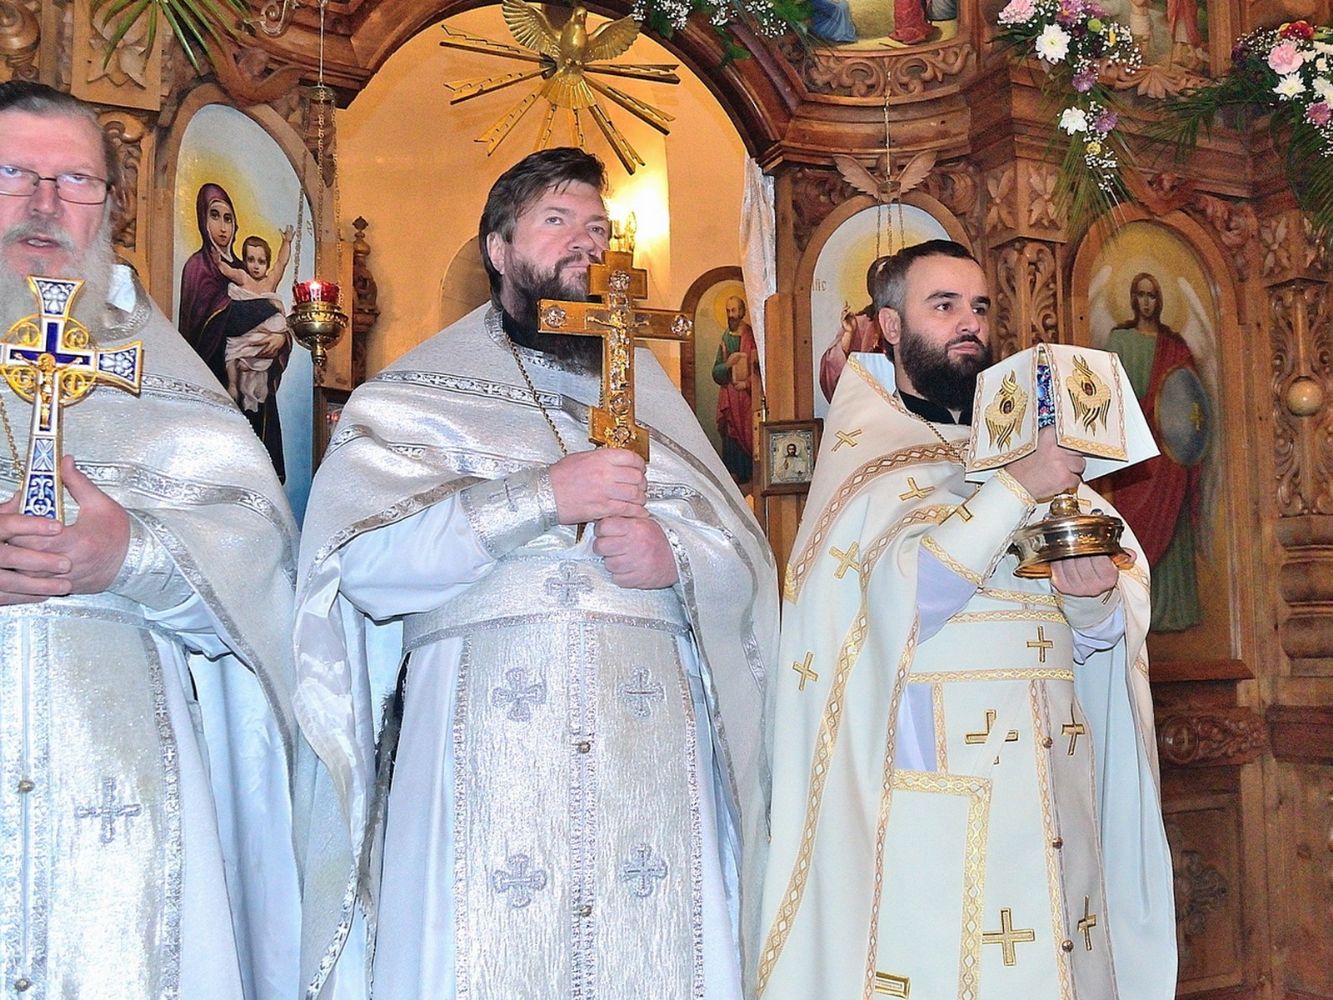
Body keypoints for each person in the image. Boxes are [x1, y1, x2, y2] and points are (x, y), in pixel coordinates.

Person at [293, 147, 778, 1000]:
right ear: (498, 248)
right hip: (481, 738)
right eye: (556, 221)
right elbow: (361, 565)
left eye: (596, 225)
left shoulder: (656, 403)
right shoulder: (414, 395)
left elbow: (743, 558)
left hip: (648, 744)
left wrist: (674, 559)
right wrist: (539, 498)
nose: (584, 241)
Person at [755, 240, 1175, 999]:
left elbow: (1105, 631)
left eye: (979, 306)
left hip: (1056, 784)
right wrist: (1016, 489)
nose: (968, 322)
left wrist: (1093, 602)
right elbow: (900, 601)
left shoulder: (1029, 451)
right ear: (890, 326)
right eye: (942, 305)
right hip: (938, 795)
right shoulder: (870, 459)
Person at [0, 82, 299, 998]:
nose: (44, 203)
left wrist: (130, 555)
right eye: (13, 172)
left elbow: (261, 561)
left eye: (75, 180)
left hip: (120, 781)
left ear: (110, 205)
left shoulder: (154, 365)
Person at [1105, 271, 1204, 631]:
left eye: (1152, 296)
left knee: (1173, 527)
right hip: (1137, 456)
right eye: (1140, 295)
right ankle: (1132, 607)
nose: (1146, 302)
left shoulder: (1175, 347)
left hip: (1171, 459)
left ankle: (1174, 611)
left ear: (1159, 301)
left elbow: (1190, 402)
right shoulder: (1120, 341)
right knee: (1135, 525)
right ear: (1133, 299)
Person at [177, 182, 291, 480]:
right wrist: (269, 307)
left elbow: (277, 318)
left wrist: (280, 337)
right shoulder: (198, 268)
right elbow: (214, 323)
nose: (222, 227)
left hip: (258, 384)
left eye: (228, 218)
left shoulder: (246, 270)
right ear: (202, 219)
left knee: (259, 466)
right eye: (214, 216)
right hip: (216, 380)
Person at [214, 229, 294, 412]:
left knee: (271, 333)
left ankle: (250, 363)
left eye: (261, 261)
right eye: (251, 260)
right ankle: (233, 384)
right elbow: (230, 272)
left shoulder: (270, 281)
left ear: (267, 263)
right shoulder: (244, 278)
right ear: (244, 261)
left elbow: (281, 263)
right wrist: (219, 263)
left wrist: (287, 242)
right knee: (233, 350)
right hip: (246, 334)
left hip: (264, 332)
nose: (256, 266)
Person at [819, 255, 891, 403]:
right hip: (867, 405)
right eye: (881, 282)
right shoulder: (859, 323)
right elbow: (831, 376)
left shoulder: (913, 321)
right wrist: (849, 334)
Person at [711, 293, 759, 483]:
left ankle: (750, 478)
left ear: (742, 312)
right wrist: (727, 365)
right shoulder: (726, 337)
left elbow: (760, 369)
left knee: (749, 436)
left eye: (734, 310)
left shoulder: (751, 337)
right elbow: (716, 371)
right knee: (731, 438)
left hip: (747, 400)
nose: (731, 315)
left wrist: (747, 384)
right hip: (730, 399)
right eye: (728, 311)